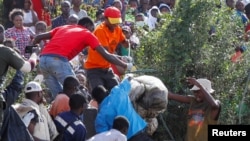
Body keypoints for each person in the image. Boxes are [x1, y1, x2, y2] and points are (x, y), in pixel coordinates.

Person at [32, 16, 132, 99]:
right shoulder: (87, 34)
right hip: (58, 60)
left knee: (59, 96)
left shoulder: (65, 27)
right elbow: (106, 55)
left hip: (43, 60)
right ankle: (83, 119)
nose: (93, 33)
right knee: (77, 92)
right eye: (92, 29)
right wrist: (125, 65)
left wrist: (32, 52)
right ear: (87, 26)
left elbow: (38, 37)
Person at [84, 6, 132, 93]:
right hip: (94, 69)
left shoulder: (117, 29)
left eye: (117, 22)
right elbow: (107, 55)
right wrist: (124, 64)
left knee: (117, 92)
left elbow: (125, 43)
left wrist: (129, 43)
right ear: (105, 19)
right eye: (113, 22)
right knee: (100, 94)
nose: (115, 24)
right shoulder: (100, 31)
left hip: (107, 69)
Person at [91, 77, 154, 141]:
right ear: (107, 92)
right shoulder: (118, 91)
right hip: (139, 128)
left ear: (96, 101)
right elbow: (127, 81)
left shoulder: (100, 117)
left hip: (124, 138)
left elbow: (104, 137)